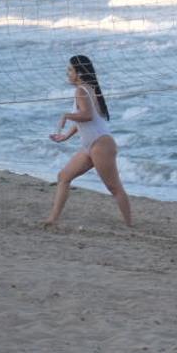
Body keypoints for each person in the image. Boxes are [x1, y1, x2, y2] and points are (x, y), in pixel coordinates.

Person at [44, 55, 133, 228]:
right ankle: (52, 219)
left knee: (114, 187)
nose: (67, 73)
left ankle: (130, 225)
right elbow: (84, 120)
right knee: (63, 177)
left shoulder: (81, 90)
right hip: (91, 146)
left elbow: (87, 115)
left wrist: (65, 116)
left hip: (101, 145)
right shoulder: (88, 88)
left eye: (70, 70)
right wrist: (66, 136)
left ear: (79, 72)